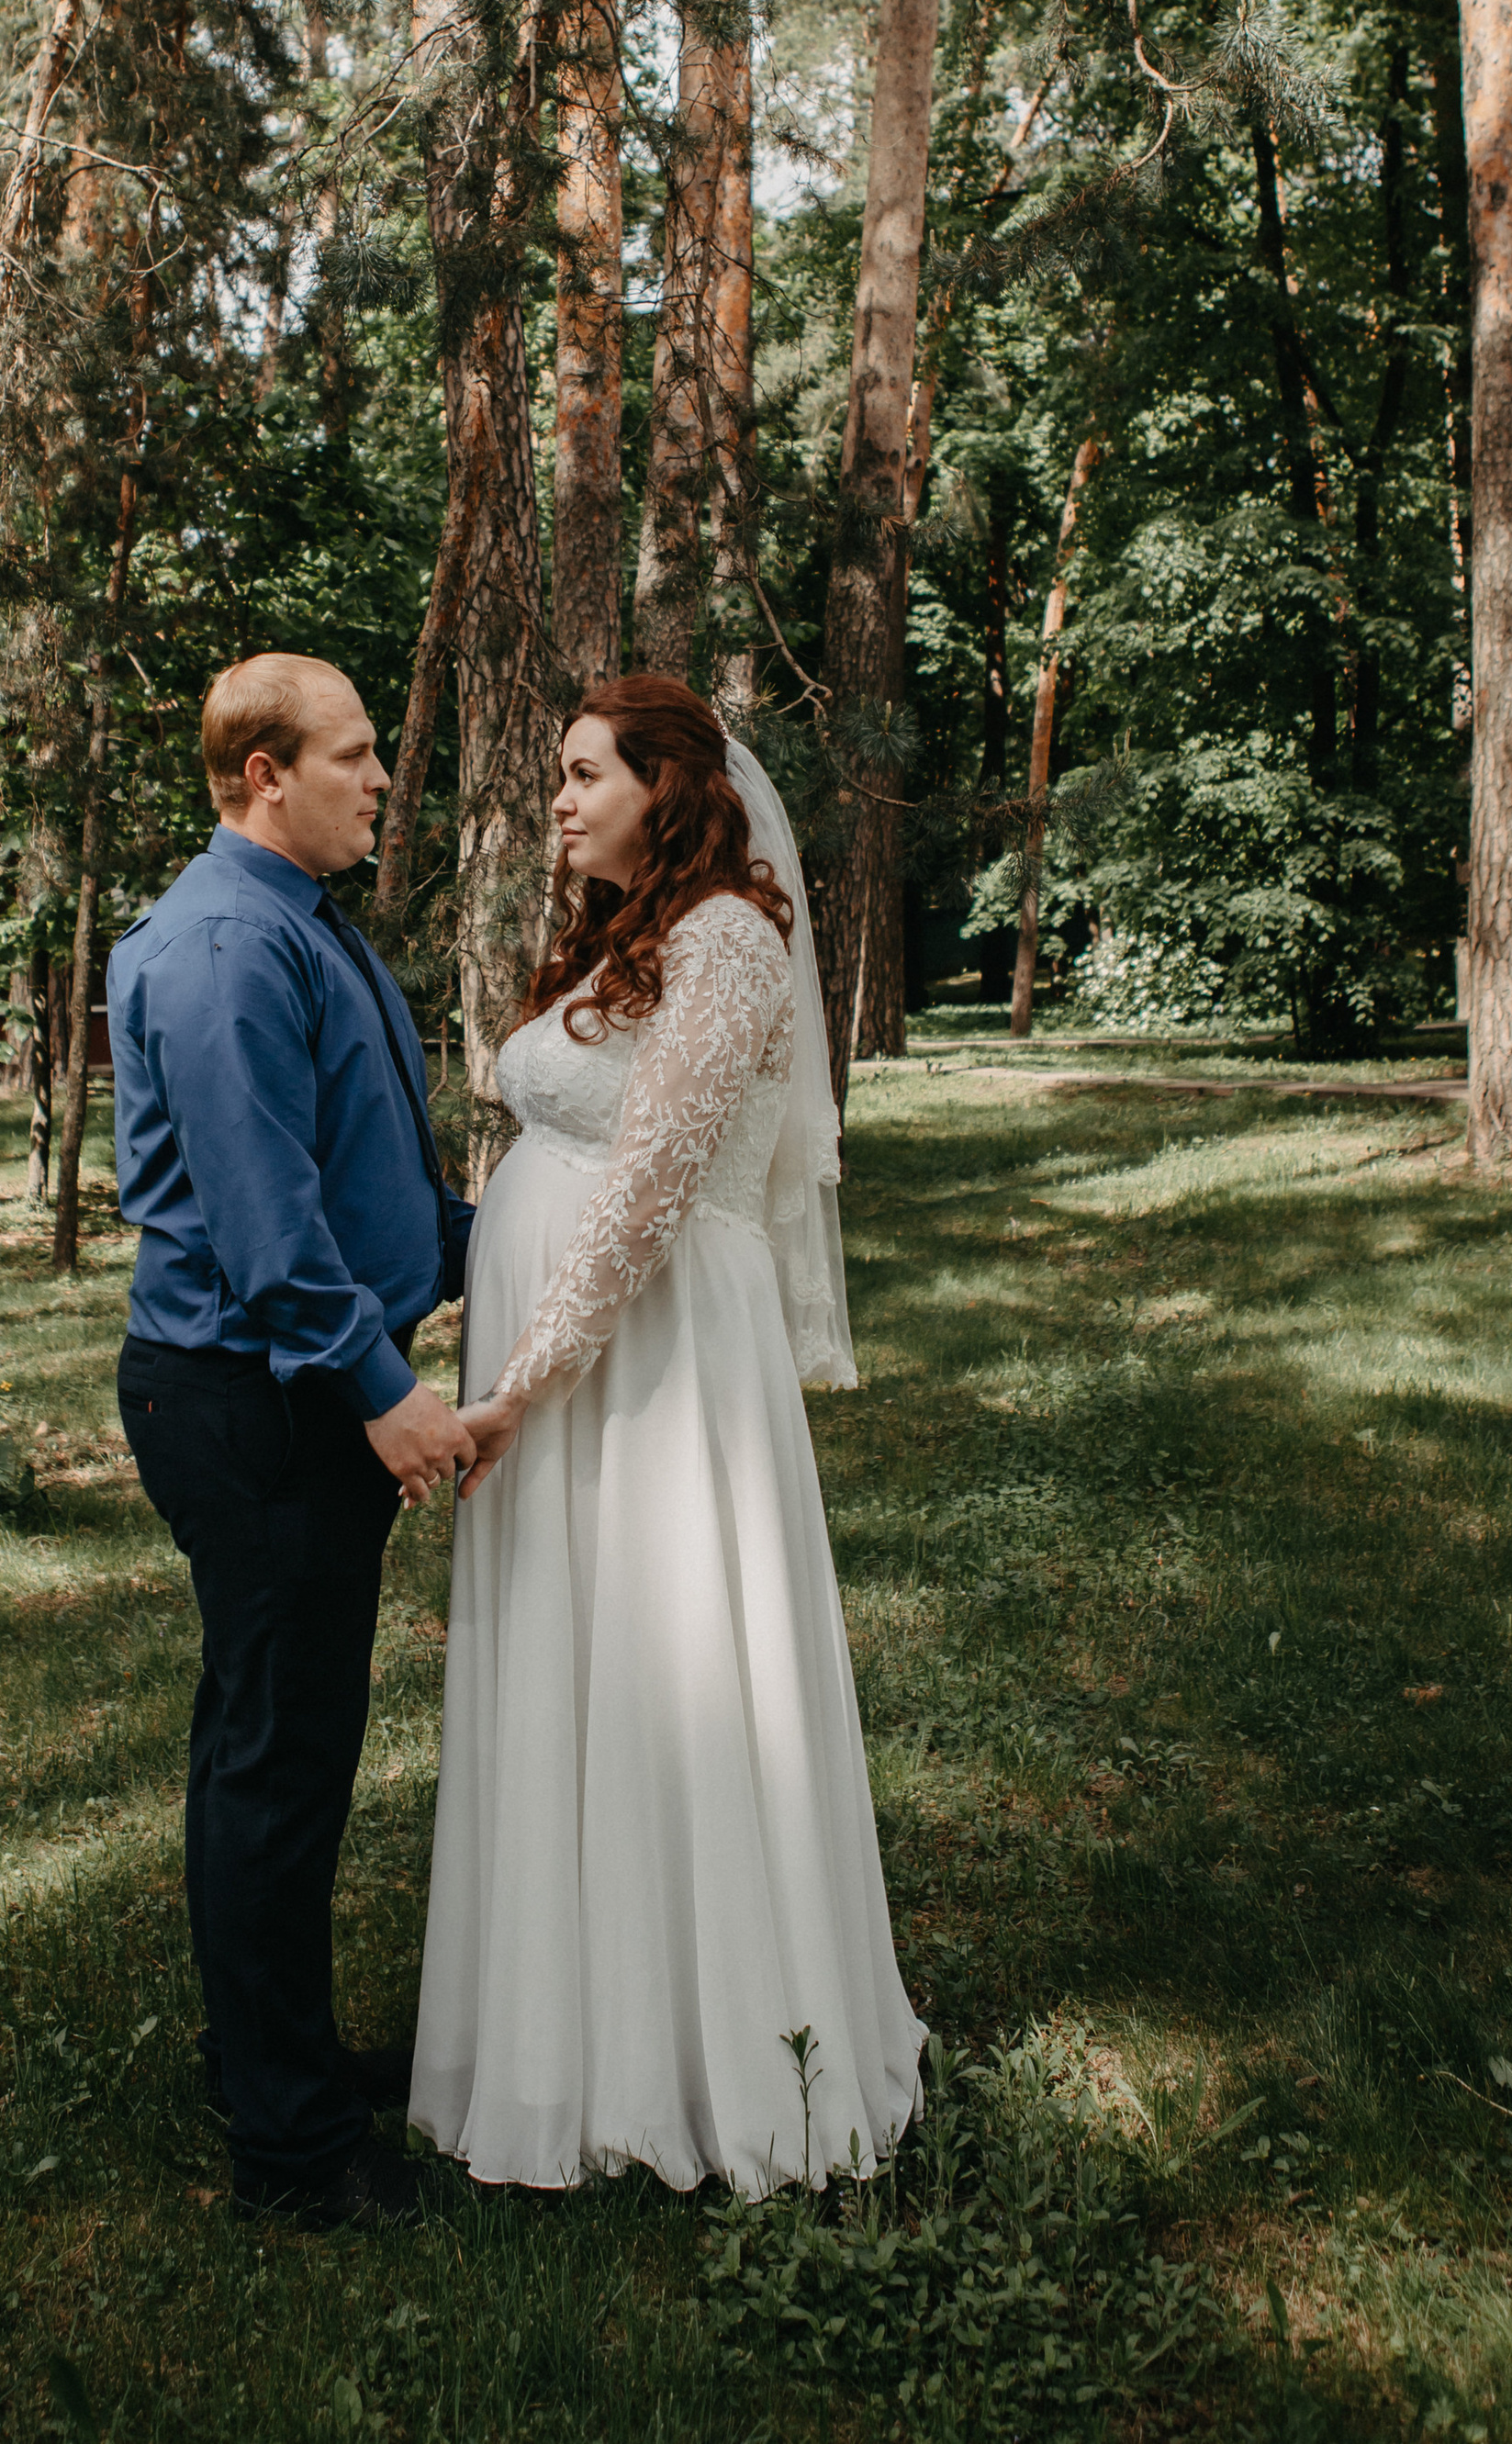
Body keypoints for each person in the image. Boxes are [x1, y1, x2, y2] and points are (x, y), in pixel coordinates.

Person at [409, 673, 926, 2194]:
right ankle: (563, 2033)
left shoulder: (724, 940)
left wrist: (524, 1377)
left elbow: (649, 1192)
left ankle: (713, 2058)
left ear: (669, 787)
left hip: (648, 1370)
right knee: (577, 1669)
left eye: (585, 774)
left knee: (668, 1663)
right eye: (560, 774)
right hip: (585, 1362)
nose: (558, 799)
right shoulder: (635, 936)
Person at [109, 653, 476, 2232]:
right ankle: (293, 2158)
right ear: (264, 773)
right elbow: (268, 1231)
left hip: (294, 1382)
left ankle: (278, 2054)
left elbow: (362, 1170)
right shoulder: (218, 950)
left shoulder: (302, 928)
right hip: (261, 1397)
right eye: (354, 754)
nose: (382, 778)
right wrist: (380, 1388)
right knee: (276, 1764)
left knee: (275, 1747)